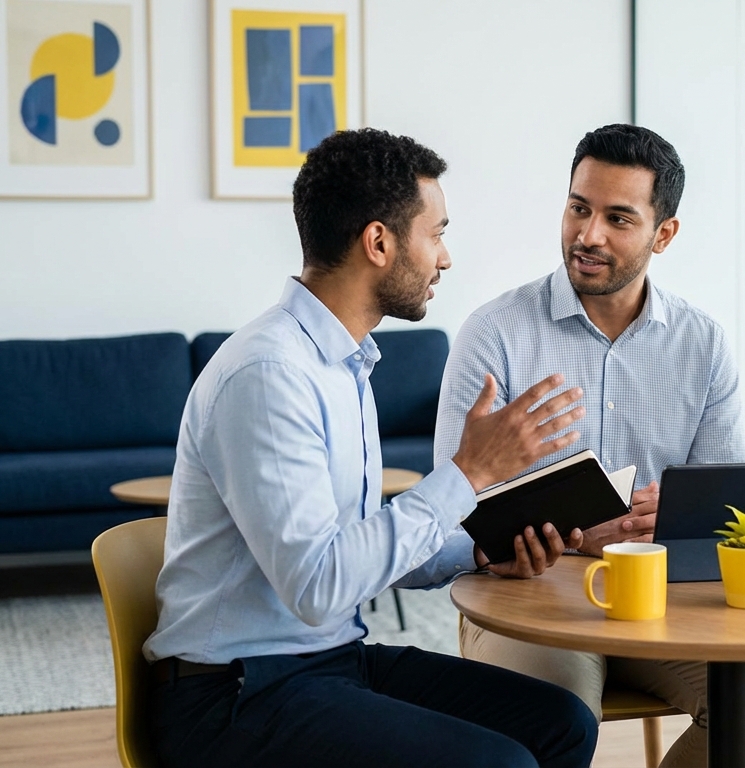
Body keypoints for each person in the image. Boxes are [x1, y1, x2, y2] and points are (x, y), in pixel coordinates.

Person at [143, 128, 599, 768]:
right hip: (234, 695)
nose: (445, 258)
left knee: (561, 724)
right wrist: (467, 475)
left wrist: (487, 548)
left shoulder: (344, 363)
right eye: (436, 234)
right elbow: (320, 585)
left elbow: (358, 546)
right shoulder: (269, 375)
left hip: (327, 663)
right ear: (379, 243)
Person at [433, 124, 745, 767]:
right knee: (558, 719)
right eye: (578, 208)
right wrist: (566, 533)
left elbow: (726, 511)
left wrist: (681, 521)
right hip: (530, 591)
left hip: (661, 593)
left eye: (617, 218)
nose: (587, 234)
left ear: (664, 235)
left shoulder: (703, 345)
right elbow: (448, 505)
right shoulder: (494, 334)